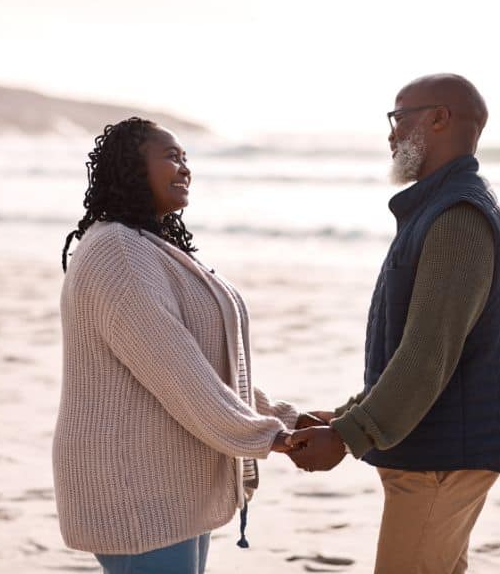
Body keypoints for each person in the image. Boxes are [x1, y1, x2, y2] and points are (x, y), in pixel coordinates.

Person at [54, 117, 333, 574]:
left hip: (172, 482)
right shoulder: (117, 252)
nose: (184, 168)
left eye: (186, 158)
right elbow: (181, 374)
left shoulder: (152, 247)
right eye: (170, 156)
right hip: (134, 489)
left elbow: (207, 366)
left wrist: (286, 416)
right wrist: (276, 438)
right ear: (129, 167)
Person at [292, 74, 500, 574]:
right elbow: (413, 350)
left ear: (440, 118)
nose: (391, 133)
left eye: (399, 117)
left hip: (441, 458)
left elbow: (427, 356)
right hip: (434, 451)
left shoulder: (458, 217)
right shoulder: (438, 209)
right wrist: (343, 416)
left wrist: (349, 435)